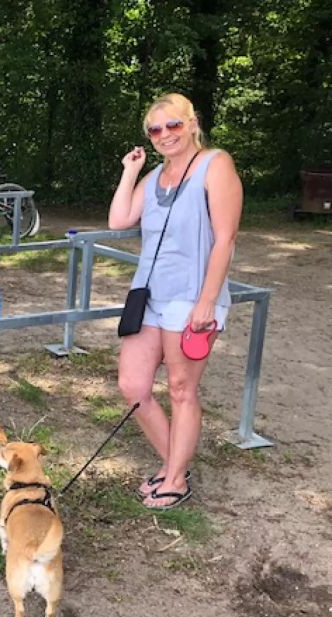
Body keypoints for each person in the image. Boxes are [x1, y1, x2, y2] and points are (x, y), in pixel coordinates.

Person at [107, 92, 242, 510]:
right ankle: (174, 465)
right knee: (133, 385)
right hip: (149, 295)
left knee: (182, 389)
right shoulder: (156, 176)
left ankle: (176, 478)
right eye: (155, 129)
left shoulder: (214, 165)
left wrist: (207, 301)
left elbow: (225, 239)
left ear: (192, 123)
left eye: (173, 125)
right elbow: (118, 219)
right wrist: (131, 172)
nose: (165, 134)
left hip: (192, 296)